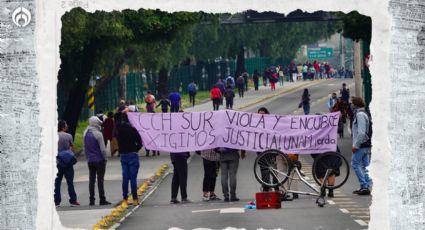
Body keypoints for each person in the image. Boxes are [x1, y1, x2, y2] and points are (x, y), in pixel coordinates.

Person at [115, 113, 143, 205]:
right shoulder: (133, 130)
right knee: (133, 178)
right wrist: (136, 149)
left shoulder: (119, 130)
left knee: (125, 178)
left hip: (123, 155)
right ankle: (135, 199)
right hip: (133, 154)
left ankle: (125, 199)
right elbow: (140, 142)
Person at [84, 116, 111, 206]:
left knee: (91, 181)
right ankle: (102, 199)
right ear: (96, 124)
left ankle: (92, 200)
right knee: (100, 180)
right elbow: (103, 149)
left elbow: (85, 148)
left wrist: (88, 158)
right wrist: (105, 158)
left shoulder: (85, 133)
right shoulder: (98, 134)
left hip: (90, 160)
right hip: (99, 160)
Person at [54, 120, 79, 207]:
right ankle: (73, 200)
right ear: (63, 127)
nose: (67, 126)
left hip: (57, 161)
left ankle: (56, 201)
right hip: (67, 162)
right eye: (66, 125)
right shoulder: (69, 136)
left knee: (57, 182)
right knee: (70, 182)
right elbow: (72, 147)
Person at [350, 97, 372, 195]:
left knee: (355, 164)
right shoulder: (362, 113)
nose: (351, 105)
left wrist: (356, 145)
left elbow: (361, 132)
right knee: (365, 166)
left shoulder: (360, 114)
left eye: (352, 103)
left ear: (355, 104)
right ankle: (366, 186)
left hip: (361, 145)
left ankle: (364, 185)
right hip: (365, 145)